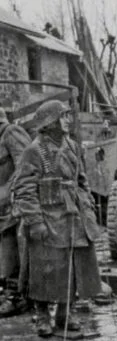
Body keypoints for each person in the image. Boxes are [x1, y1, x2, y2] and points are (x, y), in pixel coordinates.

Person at [13, 100, 101, 337]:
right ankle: (42, 315)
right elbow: (24, 188)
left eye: (68, 116)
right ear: (49, 122)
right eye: (63, 117)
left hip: (74, 214)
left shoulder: (73, 146)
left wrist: (88, 205)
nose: (68, 121)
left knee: (73, 265)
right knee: (45, 267)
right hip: (48, 217)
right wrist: (35, 220)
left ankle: (65, 312)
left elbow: (83, 180)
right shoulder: (35, 150)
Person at [0, 107, 32, 317]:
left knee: (12, 242)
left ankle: (17, 297)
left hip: (13, 202)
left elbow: (25, 165)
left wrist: (7, 192)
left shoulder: (11, 132)